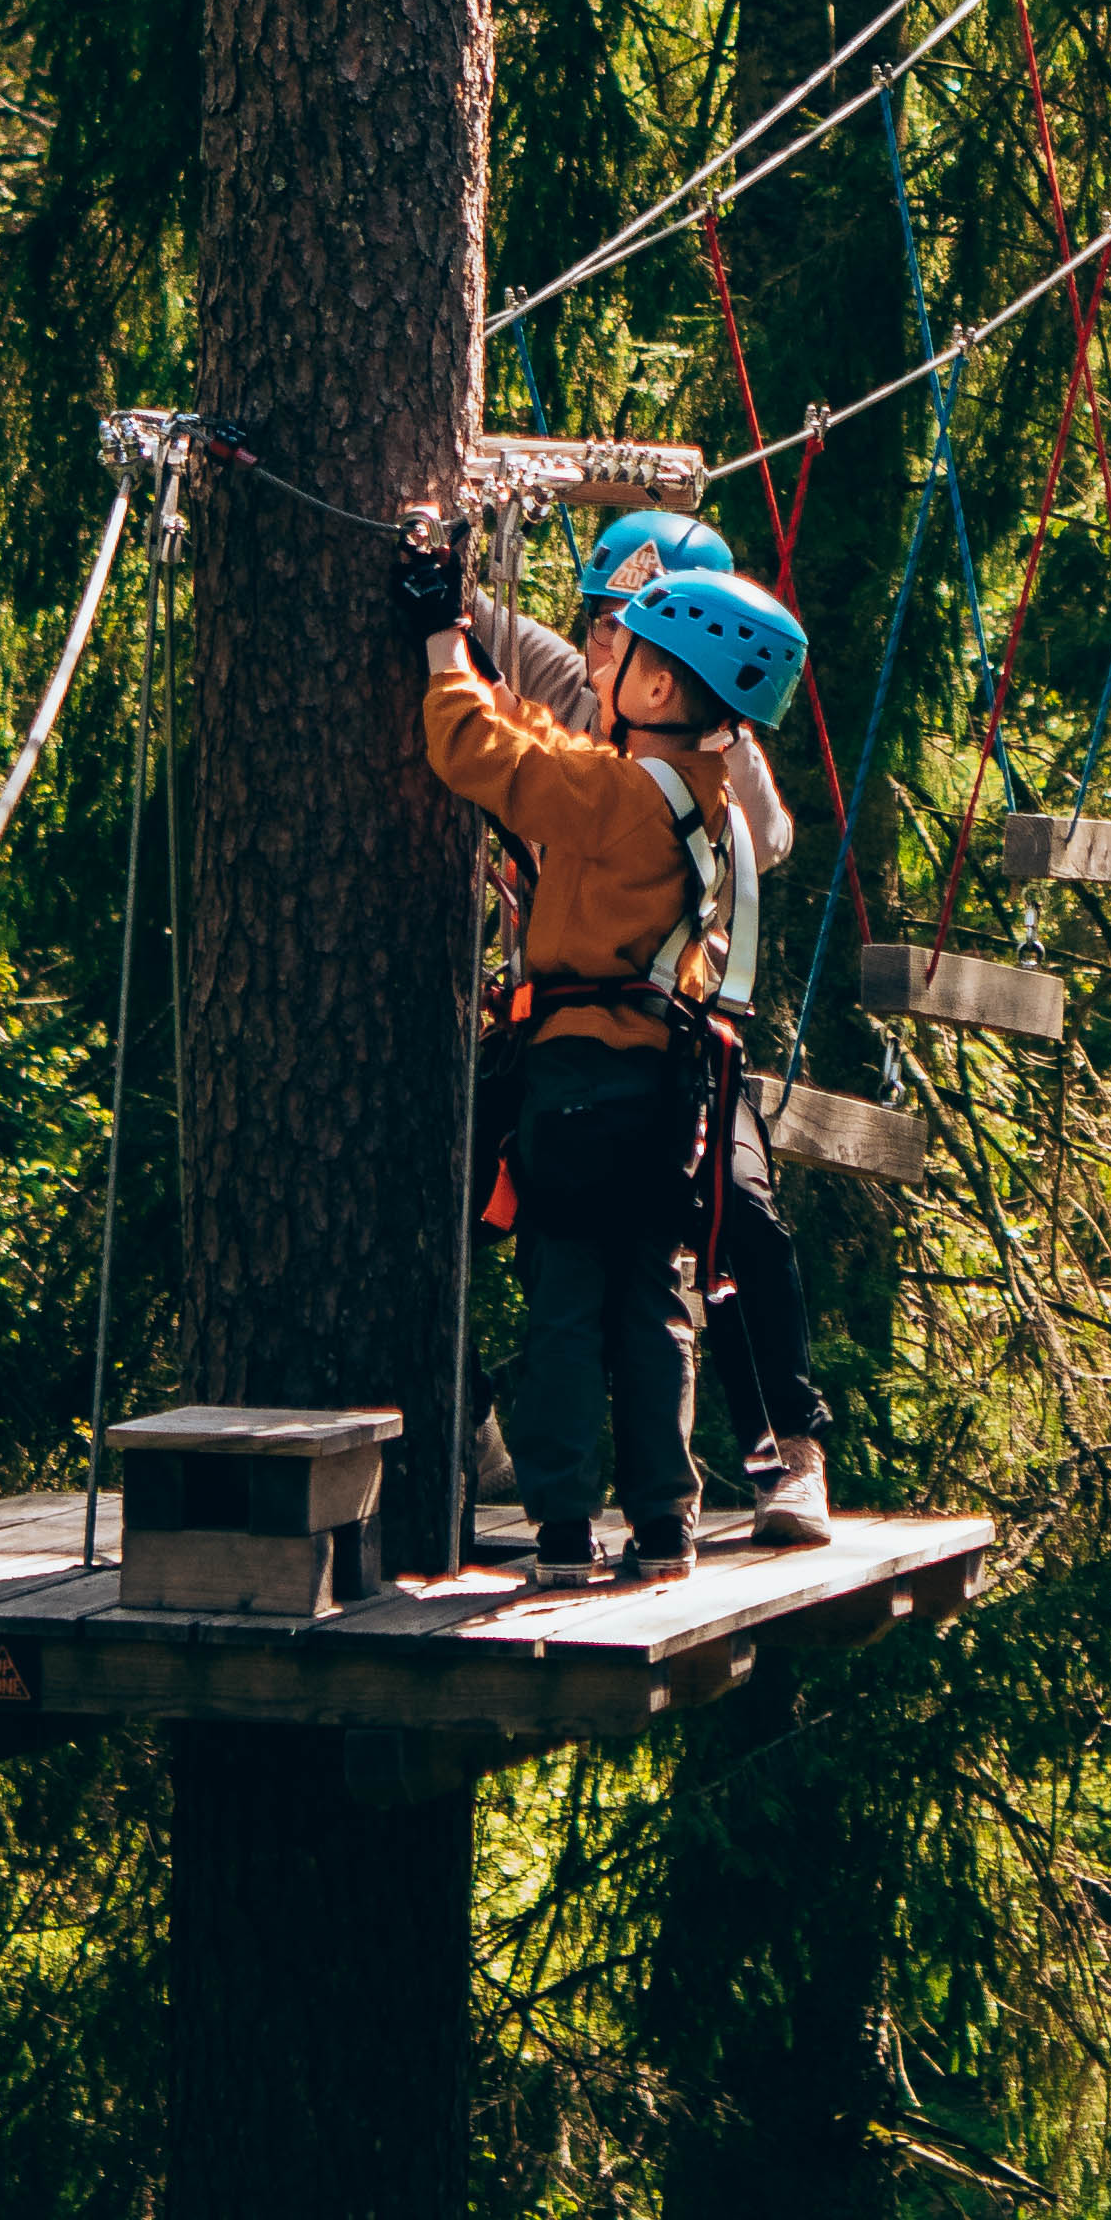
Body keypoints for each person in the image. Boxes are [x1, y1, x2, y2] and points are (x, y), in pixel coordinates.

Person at [395, 527, 809, 1585]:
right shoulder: (698, 796)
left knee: (568, 1296)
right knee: (652, 1300)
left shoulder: (620, 799)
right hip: (673, 1090)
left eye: (623, 654)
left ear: (663, 683)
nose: (602, 662)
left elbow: (484, 759)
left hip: (581, 1082)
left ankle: (566, 1527)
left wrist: (445, 645)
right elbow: (557, 747)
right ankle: (665, 1525)